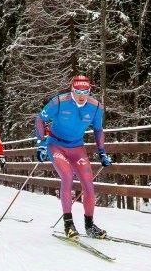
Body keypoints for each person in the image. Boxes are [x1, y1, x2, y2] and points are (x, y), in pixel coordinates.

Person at [34, 75, 113, 239]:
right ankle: (68, 224)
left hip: (77, 148)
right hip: (56, 144)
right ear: (72, 90)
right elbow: (40, 119)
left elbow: (98, 130)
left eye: (86, 91)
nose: (82, 95)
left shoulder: (96, 107)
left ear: (90, 91)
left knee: (88, 184)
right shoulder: (59, 102)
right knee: (68, 177)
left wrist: (102, 152)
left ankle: (90, 225)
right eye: (78, 91)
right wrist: (41, 143)